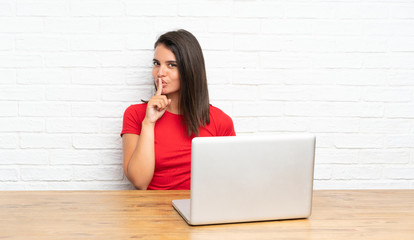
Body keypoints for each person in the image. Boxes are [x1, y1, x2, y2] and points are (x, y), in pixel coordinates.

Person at [120, 29, 236, 190]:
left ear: (190, 70)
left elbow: (229, 181)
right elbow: (140, 182)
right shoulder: (136, 115)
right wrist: (148, 123)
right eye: (156, 64)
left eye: (171, 65)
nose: (160, 73)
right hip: (152, 211)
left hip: (200, 210)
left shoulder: (220, 121)